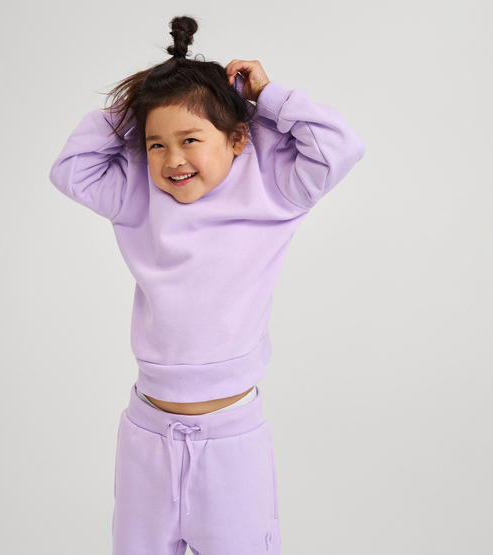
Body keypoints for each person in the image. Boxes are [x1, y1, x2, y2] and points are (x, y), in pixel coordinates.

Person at [49, 14, 365, 555]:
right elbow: (71, 169)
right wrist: (136, 106)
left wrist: (269, 96)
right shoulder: (136, 193)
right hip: (147, 437)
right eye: (155, 145)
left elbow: (340, 147)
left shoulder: (273, 186)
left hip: (230, 442)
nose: (173, 160)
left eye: (190, 140)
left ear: (238, 138)